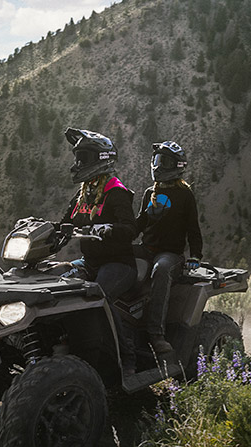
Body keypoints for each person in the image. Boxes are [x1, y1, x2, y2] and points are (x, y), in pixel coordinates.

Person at [59, 127, 138, 375]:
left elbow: (131, 229)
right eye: (78, 158)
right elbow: (64, 223)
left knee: (99, 295)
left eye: (83, 158)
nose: (78, 164)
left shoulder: (116, 191)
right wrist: (40, 228)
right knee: (55, 284)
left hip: (119, 264)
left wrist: (109, 228)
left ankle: (127, 357)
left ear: (101, 159)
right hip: (89, 262)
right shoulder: (83, 193)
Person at [136, 140, 203, 355]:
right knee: (116, 256)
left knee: (161, 270)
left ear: (177, 165)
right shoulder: (150, 192)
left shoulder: (185, 195)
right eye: (157, 160)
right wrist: (118, 236)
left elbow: (193, 228)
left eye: (163, 161)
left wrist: (195, 256)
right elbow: (140, 223)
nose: (158, 166)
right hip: (146, 248)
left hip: (170, 254)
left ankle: (156, 334)